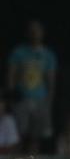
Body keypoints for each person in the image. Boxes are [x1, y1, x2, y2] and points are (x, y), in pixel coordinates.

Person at [7, 21, 57, 152]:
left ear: (42, 33)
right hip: (22, 98)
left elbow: (50, 79)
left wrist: (49, 101)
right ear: (27, 33)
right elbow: (11, 75)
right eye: (32, 31)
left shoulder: (48, 55)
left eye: (37, 30)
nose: (35, 34)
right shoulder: (18, 52)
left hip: (40, 99)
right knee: (19, 136)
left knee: (35, 138)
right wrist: (12, 95)